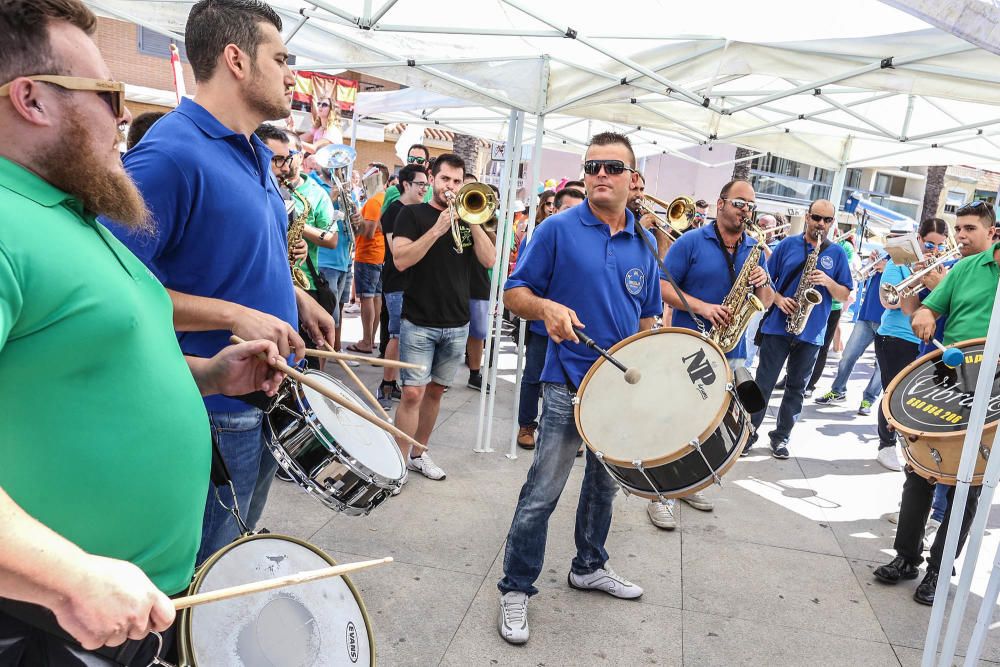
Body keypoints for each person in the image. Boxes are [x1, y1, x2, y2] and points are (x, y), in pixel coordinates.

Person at [0, 1, 283, 662]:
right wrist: (69, 578)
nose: (125, 116)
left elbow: (86, 362)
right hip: (50, 621)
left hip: (122, 613)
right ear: (31, 99)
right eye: (107, 93)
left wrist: (211, 373)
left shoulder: (73, 215)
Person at [103, 0, 337, 565]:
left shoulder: (256, 150)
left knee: (234, 559)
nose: (291, 74)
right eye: (281, 59)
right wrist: (233, 316)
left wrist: (297, 296)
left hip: (266, 392)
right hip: (212, 402)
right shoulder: (169, 154)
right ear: (236, 59)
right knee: (202, 567)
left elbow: (236, 252)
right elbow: (114, 288)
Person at [497, 132, 662, 645]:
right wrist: (545, 307)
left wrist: (651, 365)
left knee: (603, 487)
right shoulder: (557, 230)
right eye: (592, 166)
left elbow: (650, 314)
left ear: (634, 180)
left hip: (620, 389)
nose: (600, 175)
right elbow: (514, 293)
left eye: (613, 167)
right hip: (567, 381)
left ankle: (589, 565)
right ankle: (516, 587)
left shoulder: (644, 242)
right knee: (543, 490)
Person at [873, 204, 1000, 605]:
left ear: (990, 231)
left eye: (968, 228)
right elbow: (930, 305)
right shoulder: (965, 268)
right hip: (951, 377)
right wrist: (925, 313)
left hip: (995, 387)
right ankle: (906, 558)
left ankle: (939, 570)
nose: (960, 235)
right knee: (920, 469)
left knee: (968, 483)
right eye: (958, 228)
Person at [653, 179, 774, 528]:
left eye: (750, 205)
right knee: (674, 419)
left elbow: (764, 304)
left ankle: (689, 484)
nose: (745, 210)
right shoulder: (691, 241)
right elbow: (662, 287)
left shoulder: (754, 248)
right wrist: (704, 307)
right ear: (720, 204)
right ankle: (659, 493)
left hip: (732, 349)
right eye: (739, 203)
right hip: (689, 346)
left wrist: (763, 282)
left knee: (706, 424)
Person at [391, 153, 496, 481]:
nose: (450, 186)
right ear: (433, 179)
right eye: (445, 179)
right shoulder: (411, 215)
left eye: (456, 180)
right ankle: (397, 461)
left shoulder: (470, 217)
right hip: (418, 320)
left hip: (456, 324)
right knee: (412, 393)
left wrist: (474, 222)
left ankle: (419, 453)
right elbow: (401, 261)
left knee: (436, 392)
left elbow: (490, 260)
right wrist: (437, 229)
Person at [746, 199, 853, 458]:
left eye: (827, 220)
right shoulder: (787, 245)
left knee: (796, 389)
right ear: (807, 217)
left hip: (811, 330)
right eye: (817, 218)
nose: (821, 224)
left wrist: (828, 282)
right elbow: (766, 281)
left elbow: (845, 293)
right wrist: (780, 300)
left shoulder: (836, 253)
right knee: (763, 384)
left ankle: (781, 437)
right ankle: (748, 434)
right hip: (778, 327)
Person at [870, 219, 949, 471]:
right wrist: (918, 278)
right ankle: (886, 445)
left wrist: (937, 281)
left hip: (924, 342)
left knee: (912, 398)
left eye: (939, 246)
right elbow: (888, 301)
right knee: (891, 394)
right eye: (928, 244)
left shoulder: (943, 269)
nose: (933, 250)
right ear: (918, 239)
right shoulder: (899, 262)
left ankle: (908, 446)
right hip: (895, 338)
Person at [256, 125, 338, 355]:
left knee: (308, 353)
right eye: (278, 159)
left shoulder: (307, 193)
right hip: (266, 291)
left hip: (302, 284)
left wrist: (299, 235)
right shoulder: (261, 189)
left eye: (288, 158)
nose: (284, 166)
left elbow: (332, 239)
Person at [376, 164, 428, 407]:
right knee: (396, 334)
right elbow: (398, 253)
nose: (425, 189)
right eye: (420, 184)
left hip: (417, 282)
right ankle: (387, 385)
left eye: (427, 185)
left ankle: (404, 385)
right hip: (397, 281)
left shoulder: (420, 210)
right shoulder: (393, 212)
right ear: (406, 184)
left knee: (409, 335)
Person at [814, 249, 887, 416]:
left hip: (888, 321)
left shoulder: (903, 262)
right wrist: (870, 265)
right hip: (866, 315)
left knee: (881, 365)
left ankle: (869, 398)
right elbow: (863, 278)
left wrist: (888, 269)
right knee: (848, 355)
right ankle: (838, 390)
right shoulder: (882, 257)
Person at [801, 231, 856, 397]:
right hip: (810, 305)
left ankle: (810, 384)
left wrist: (827, 280)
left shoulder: (843, 248)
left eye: (827, 220)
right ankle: (792, 378)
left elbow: (846, 284)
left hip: (832, 306)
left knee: (822, 347)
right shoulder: (803, 245)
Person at [349, 161, 389, 354]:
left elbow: (369, 231)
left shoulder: (374, 200)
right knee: (375, 298)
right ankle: (370, 339)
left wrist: (356, 219)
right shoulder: (383, 197)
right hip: (378, 255)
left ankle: (366, 340)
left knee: (367, 298)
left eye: (367, 174)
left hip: (369, 254)